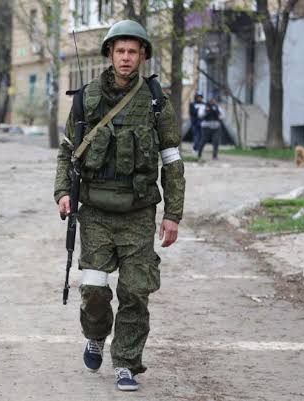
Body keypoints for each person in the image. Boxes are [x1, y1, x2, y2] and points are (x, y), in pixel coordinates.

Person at [54, 20, 186, 392]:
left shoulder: (157, 102)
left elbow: (172, 160)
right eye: (120, 51)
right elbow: (67, 152)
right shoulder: (87, 97)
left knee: (134, 292)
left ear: (143, 55)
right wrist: (63, 192)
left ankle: (127, 363)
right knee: (94, 289)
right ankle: (96, 335)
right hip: (95, 210)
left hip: (139, 211)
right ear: (109, 54)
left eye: (133, 51)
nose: (126, 58)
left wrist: (173, 213)